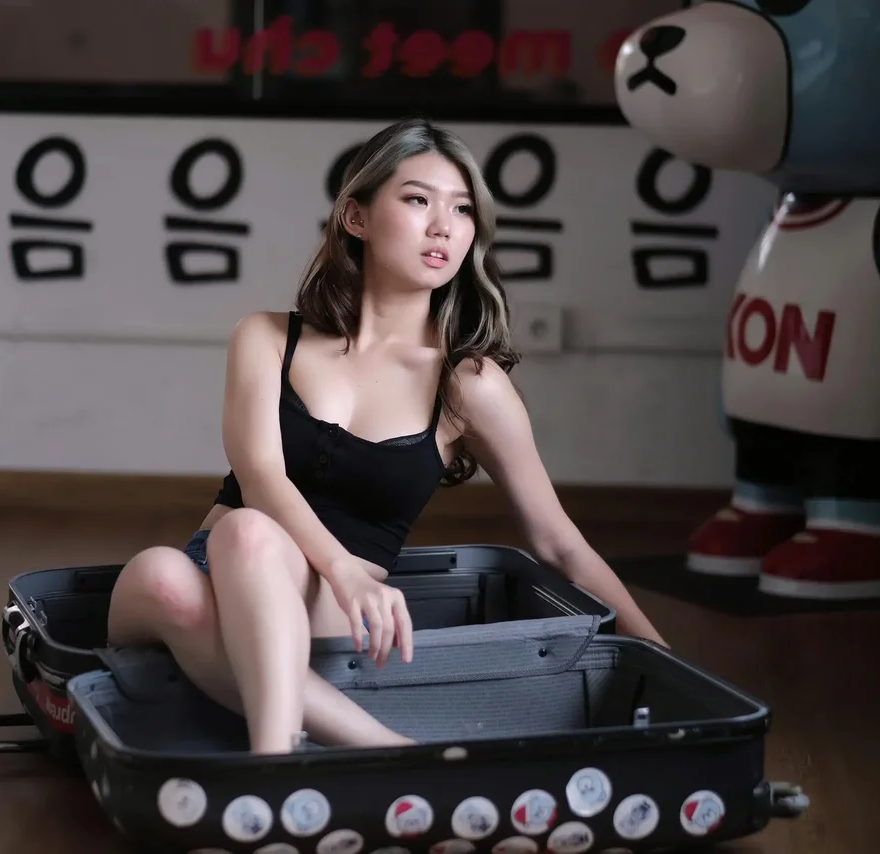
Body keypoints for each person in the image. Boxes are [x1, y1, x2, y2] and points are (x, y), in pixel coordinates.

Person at [105, 116, 668, 756]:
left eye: (462, 209)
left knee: (245, 532)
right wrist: (343, 566)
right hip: (220, 573)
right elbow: (261, 476)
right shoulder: (266, 337)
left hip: (329, 612)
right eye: (418, 200)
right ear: (357, 217)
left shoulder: (469, 384)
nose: (444, 226)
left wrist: (662, 656)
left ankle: (273, 762)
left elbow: (558, 542)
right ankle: (384, 748)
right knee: (166, 571)